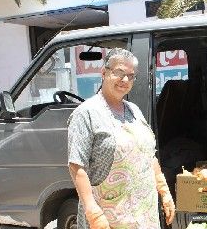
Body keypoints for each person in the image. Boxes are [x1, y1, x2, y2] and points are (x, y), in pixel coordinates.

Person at [67, 48, 175, 228]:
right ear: (104, 73)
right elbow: (76, 165)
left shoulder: (134, 110)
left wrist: (164, 191)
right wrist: (92, 211)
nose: (125, 80)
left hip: (144, 215)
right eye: (119, 73)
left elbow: (149, 155)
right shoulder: (86, 113)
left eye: (131, 76)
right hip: (109, 217)